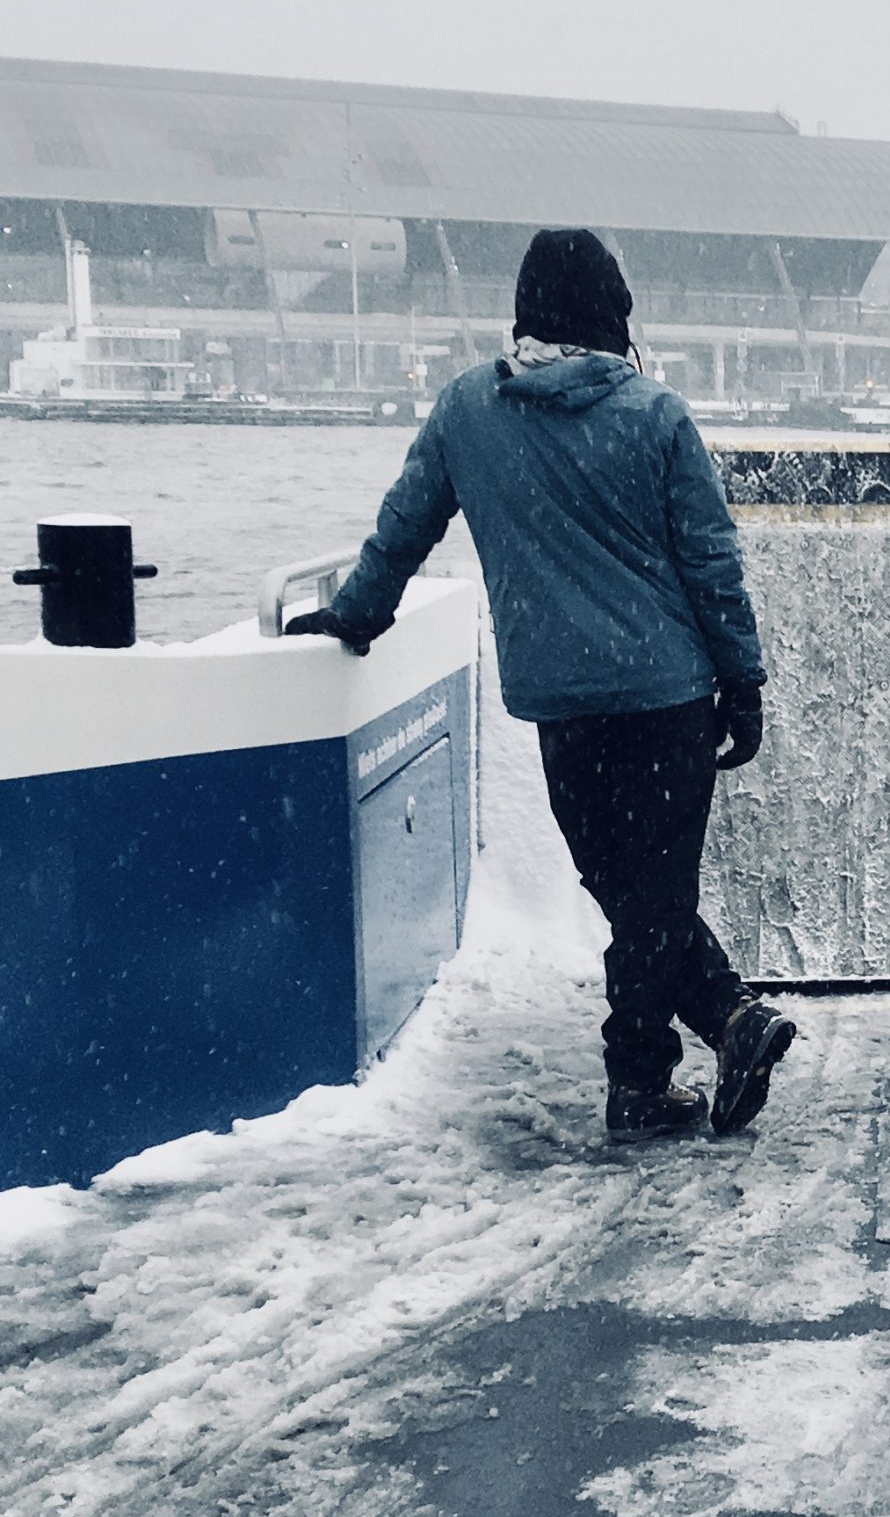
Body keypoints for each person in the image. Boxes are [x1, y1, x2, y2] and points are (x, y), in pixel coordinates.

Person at [286, 228, 794, 1144]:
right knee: (652, 894)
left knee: (626, 890)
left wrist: (356, 615)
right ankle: (674, 1059)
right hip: (668, 696)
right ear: (613, 315)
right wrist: (742, 680)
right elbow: (711, 564)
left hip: (565, 705)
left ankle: (701, 1041)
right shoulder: (655, 414)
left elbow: (404, 527)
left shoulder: (468, 410)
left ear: (523, 314)